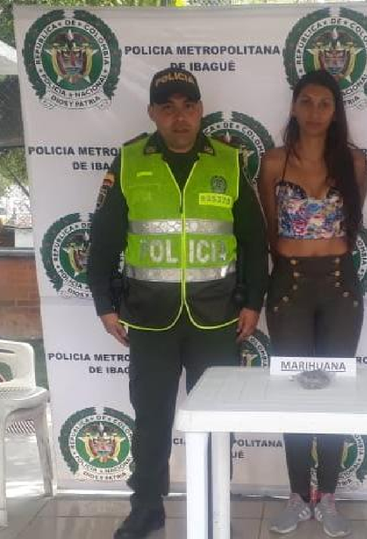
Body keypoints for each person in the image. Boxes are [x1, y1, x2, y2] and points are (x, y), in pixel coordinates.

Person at [87, 66, 268, 539]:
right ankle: (147, 508)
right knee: (151, 420)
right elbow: (104, 240)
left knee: (216, 421)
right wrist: (104, 303)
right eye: (167, 108)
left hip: (217, 318)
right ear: (152, 113)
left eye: (188, 106)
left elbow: (254, 242)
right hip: (150, 319)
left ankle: (214, 508)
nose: (179, 117)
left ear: (200, 110)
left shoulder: (229, 161)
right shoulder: (129, 161)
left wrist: (253, 302)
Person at [257, 69, 367, 537]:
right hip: (290, 286)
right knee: (295, 391)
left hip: (340, 286)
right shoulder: (273, 162)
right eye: (307, 101)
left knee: (335, 390)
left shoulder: (354, 161)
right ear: (293, 106)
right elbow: (268, 228)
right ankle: (298, 495)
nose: (316, 111)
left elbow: (353, 224)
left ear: (336, 110)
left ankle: (330, 497)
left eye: (325, 103)